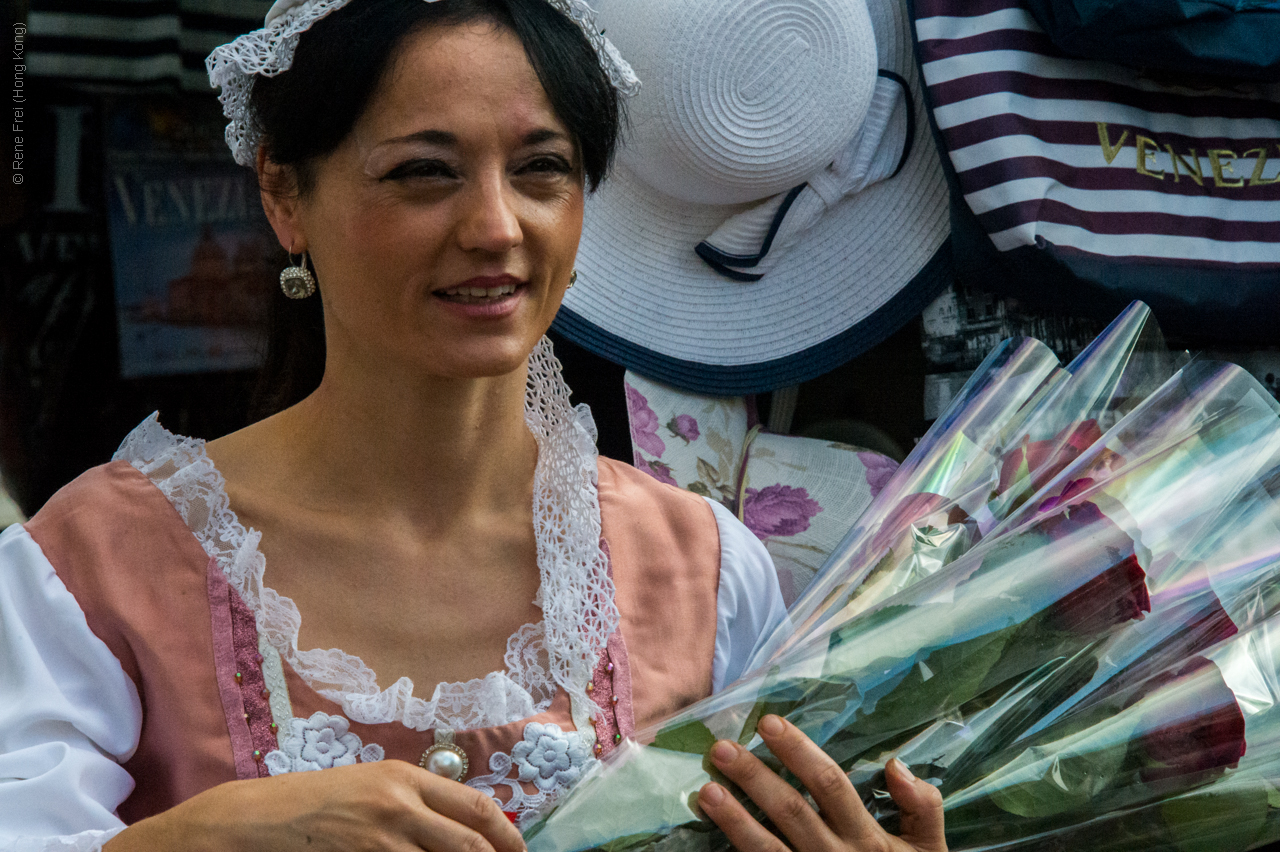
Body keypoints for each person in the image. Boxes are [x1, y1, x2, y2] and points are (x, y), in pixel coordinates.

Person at [0, 1, 947, 850]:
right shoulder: (97, 571)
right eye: (424, 172)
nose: (496, 226)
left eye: (541, 169)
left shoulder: (704, 572)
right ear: (285, 197)